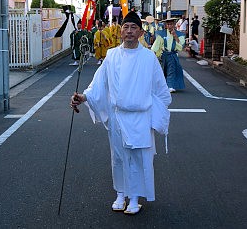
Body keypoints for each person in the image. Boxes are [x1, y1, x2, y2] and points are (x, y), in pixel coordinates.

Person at [70, 11, 172, 215]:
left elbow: (161, 91)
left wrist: (156, 117)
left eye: (134, 28)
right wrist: (84, 97)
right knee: (118, 157)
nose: (129, 31)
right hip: (117, 116)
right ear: (120, 32)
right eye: (126, 27)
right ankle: (120, 194)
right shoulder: (112, 55)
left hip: (140, 117)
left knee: (137, 157)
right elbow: (100, 82)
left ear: (141, 32)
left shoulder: (149, 57)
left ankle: (134, 198)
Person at [151, 17, 186, 93]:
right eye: (168, 24)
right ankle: (162, 86)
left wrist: (175, 36)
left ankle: (170, 86)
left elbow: (180, 47)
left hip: (172, 55)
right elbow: (157, 44)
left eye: (171, 24)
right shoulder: (162, 33)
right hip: (163, 55)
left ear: (174, 25)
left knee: (171, 70)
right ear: (166, 25)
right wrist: (153, 53)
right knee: (162, 70)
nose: (169, 26)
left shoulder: (179, 34)